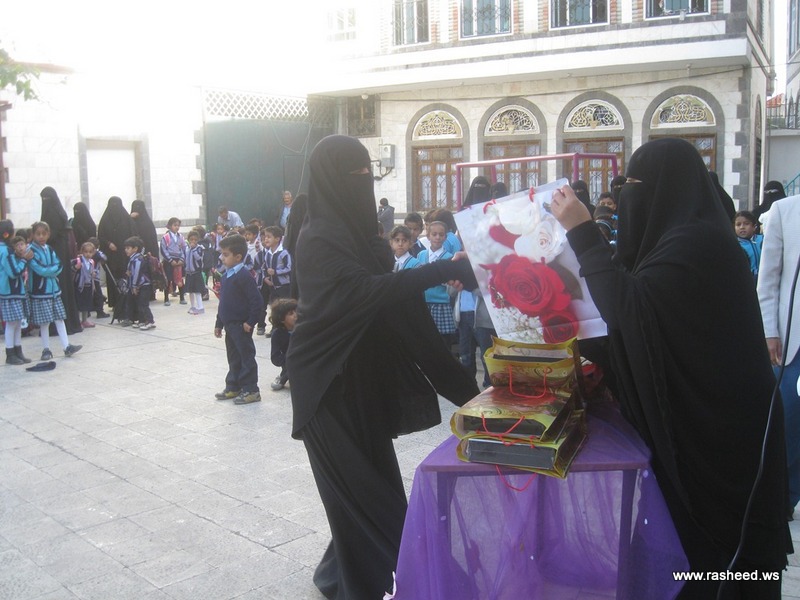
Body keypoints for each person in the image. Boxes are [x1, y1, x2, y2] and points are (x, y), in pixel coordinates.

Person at [550, 137, 790, 598]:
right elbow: (647, 334)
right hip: (701, 427)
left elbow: (631, 311)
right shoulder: (678, 243)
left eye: (635, 185)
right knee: (686, 555)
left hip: (724, 440)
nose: (627, 197)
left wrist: (583, 232)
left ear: (667, 189)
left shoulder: (697, 244)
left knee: (724, 560)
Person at [286, 135, 479, 600]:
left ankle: (342, 576)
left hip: (360, 382)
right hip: (326, 387)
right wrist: (442, 270)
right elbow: (365, 294)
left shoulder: (362, 239)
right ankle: (412, 582)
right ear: (331, 181)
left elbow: (399, 309)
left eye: (366, 174)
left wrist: (468, 392)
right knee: (369, 499)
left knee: (372, 490)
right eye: (353, 176)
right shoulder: (318, 239)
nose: (363, 184)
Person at [757, 192, 800, 523]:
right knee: (787, 420)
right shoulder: (785, 211)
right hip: (791, 341)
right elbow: (768, 279)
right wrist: (770, 330)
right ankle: (780, 498)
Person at [213, 234, 264, 405]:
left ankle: (251, 390)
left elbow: (257, 301)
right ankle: (233, 386)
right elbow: (223, 303)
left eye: (225, 254)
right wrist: (219, 323)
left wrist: (251, 322)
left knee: (246, 357)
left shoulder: (244, 276)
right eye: (222, 254)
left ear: (238, 257)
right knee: (233, 357)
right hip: (229, 325)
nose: (222, 258)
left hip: (241, 326)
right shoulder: (226, 275)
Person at [28, 221, 82, 360]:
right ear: (33, 235)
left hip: (54, 290)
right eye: (38, 234)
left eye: (44, 233)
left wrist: (50, 271)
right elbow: (40, 269)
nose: (41, 236)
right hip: (41, 292)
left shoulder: (49, 249)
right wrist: (51, 271)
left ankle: (66, 346)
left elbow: (59, 265)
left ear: (48, 234)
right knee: (45, 322)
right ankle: (46, 349)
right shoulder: (31, 251)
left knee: (59, 319)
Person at [40, 187, 82, 335]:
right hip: (61, 254)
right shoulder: (59, 212)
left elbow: (50, 235)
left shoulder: (51, 214)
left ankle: (58, 325)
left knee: (58, 288)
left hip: (54, 256)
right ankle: (68, 323)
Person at [1, 221, 33, 365]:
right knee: (12, 323)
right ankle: (10, 353)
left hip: (14, 290)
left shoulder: (7, 250)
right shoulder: (6, 251)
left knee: (18, 322)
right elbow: (14, 272)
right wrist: (24, 259)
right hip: (10, 291)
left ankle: (18, 350)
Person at [97, 196, 135, 310]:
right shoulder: (105, 220)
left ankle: (126, 302)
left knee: (125, 276)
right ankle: (114, 303)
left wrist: (128, 246)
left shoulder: (126, 219)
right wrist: (108, 243)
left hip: (124, 255)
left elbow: (133, 234)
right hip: (111, 255)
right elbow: (101, 236)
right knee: (112, 278)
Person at [262, 225, 291, 336]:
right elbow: (264, 267)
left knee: (285, 308)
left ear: (277, 238)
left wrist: (276, 272)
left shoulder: (284, 253)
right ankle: (275, 328)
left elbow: (289, 268)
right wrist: (266, 278)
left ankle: (287, 328)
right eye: (265, 237)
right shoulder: (267, 253)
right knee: (274, 308)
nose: (266, 239)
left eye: (269, 237)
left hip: (283, 286)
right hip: (272, 286)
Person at [122, 236, 155, 330]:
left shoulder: (137, 259)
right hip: (140, 285)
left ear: (135, 248)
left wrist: (134, 286)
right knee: (139, 304)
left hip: (143, 285)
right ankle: (142, 321)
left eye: (128, 248)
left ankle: (150, 321)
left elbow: (137, 273)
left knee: (143, 304)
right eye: (125, 248)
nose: (126, 250)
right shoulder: (133, 258)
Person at [269, 297, 297, 391]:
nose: (295, 315)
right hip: (289, 362)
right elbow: (275, 357)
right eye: (291, 313)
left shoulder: (302, 329)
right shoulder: (277, 334)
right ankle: (283, 377)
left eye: (296, 311)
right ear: (281, 319)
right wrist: (288, 360)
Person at [160, 217, 186, 306]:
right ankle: (166, 299)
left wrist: (182, 259)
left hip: (179, 261)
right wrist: (170, 260)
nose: (177, 227)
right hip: (169, 261)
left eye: (178, 225)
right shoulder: (166, 237)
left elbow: (184, 249)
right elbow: (163, 249)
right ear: (170, 226)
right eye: (175, 225)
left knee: (180, 279)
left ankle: (182, 297)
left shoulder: (181, 237)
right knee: (168, 280)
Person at [71, 241, 97, 328]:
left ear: (93, 252)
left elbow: (92, 272)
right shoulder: (78, 261)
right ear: (82, 251)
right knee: (78, 304)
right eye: (86, 252)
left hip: (88, 285)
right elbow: (70, 269)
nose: (88, 254)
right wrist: (75, 268)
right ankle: (77, 321)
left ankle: (84, 320)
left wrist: (93, 274)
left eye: (90, 252)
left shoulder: (91, 262)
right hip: (79, 286)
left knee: (86, 304)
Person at [734, 210, 763, 280]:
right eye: (738, 224)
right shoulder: (735, 245)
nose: (742, 227)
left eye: (746, 224)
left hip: (764, 278)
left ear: (754, 226)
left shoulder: (763, 240)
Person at [184, 230, 206, 315]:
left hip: (196, 272)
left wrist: (193, 250)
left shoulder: (199, 248)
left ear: (198, 240)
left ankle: (200, 307)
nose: (193, 241)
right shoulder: (187, 249)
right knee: (190, 291)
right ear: (188, 240)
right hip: (189, 273)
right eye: (191, 239)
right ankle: (193, 306)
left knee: (197, 291)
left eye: (195, 240)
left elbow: (198, 258)